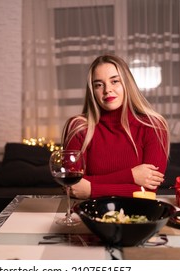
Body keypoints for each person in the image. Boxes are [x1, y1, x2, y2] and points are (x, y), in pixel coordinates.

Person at [62, 54, 170, 199]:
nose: (107, 90)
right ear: (92, 91)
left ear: (127, 84)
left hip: (136, 215)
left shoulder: (153, 126)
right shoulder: (79, 127)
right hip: (89, 214)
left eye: (115, 81)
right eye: (99, 85)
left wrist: (91, 189)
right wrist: (131, 176)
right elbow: (73, 186)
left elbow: (148, 193)